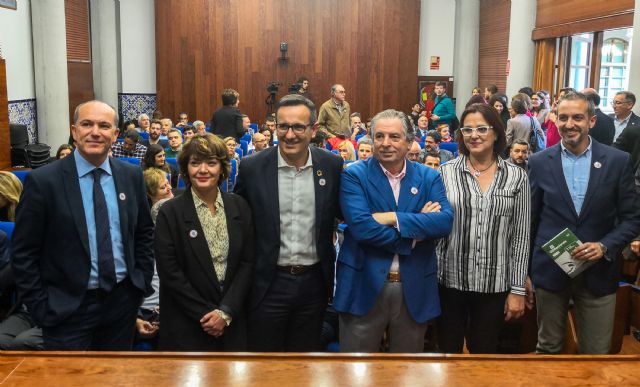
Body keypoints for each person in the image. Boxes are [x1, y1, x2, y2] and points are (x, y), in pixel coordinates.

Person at [11, 100, 155, 350]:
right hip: (66, 309)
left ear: (115, 134)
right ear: (74, 131)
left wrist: (138, 285)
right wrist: (41, 306)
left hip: (122, 303)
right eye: (87, 124)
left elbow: (143, 234)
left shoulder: (131, 177)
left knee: (113, 378)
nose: (95, 132)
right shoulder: (44, 182)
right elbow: (24, 253)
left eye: (104, 125)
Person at [333, 109, 454, 352]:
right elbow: (362, 228)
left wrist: (392, 218)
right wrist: (415, 231)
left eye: (394, 137)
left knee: (406, 372)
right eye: (379, 136)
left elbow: (444, 222)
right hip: (361, 283)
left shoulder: (429, 177)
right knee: (355, 372)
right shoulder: (354, 175)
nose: (385, 143)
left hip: (414, 286)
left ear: (410, 142)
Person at [529, 92, 640, 354]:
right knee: (547, 348)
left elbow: (632, 217)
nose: (570, 124)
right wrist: (525, 272)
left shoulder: (617, 161)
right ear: (555, 121)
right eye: (564, 117)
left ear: (591, 121)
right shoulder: (539, 162)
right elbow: (530, 221)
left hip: (598, 270)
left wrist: (604, 246)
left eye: (578, 117)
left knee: (596, 353)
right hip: (549, 269)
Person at [234, 94, 343, 352]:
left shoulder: (331, 166)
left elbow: (346, 212)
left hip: (314, 285)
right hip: (267, 283)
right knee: (264, 363)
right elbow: (238, 221)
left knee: (303, 361)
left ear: (314, 129)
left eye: (298, 127)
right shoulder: (252, 167)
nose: (289, 134)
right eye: (283, 126)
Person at [437, 103, 530, 354]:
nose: (473, 135)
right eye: (467, 130)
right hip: (449, 281)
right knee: (446, 354)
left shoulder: (516, 176)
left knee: (485, 355)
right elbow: (436, 230)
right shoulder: (445, 173)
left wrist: (517, 289)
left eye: (481, 128)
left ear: (497, 132)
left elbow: (520, 237)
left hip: (494, 284)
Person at [155, 133, 255, 351]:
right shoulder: (169, 212)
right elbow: (170, 273)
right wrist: (207, 315)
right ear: (185, 168)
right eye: (195, 163)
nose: (202, 170)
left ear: (221, 168)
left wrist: (226, 312)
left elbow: (248, 264)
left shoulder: (240, 206)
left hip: (232, 321)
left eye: (211, 163)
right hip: (186, 323)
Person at [612, 91, 640, 168]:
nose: (614, 106)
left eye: (618, 103)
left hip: (627, 166)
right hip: (606, 161)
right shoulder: (607, 119)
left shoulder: (638, 124)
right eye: (613, 103)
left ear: (630, 105)